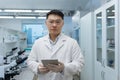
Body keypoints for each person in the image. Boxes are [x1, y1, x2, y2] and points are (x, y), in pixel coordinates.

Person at [27, 9, 84, 80]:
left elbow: (79, 63)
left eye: (58, 22)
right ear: (46, 23)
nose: (54, 25)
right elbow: (30, 61)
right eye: (51, 22)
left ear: (62, 23)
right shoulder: (38, 42)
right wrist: (38, 67)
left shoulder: (72, 42)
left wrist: (64, 68)